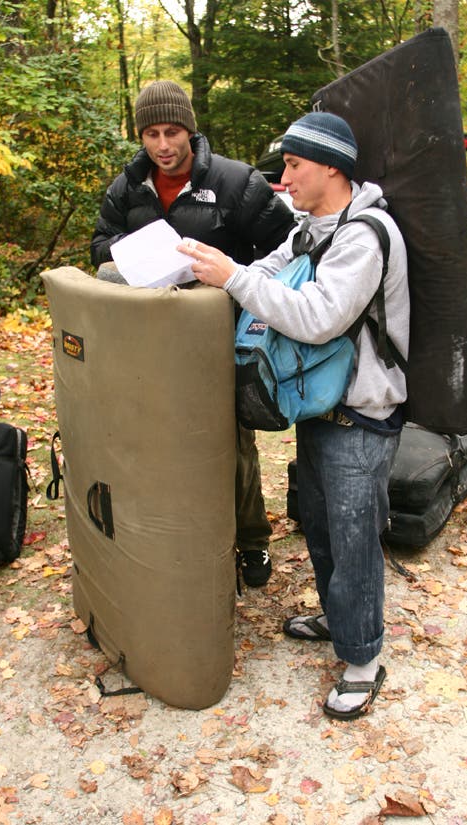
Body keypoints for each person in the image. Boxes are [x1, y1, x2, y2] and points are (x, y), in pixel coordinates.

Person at [179, 112, 410, 719]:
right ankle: (339, 621)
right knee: (321, 523)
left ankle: (362, 660)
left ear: (331, 166)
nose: (284, 178)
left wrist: (235, 279)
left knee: (355, 537)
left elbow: (318, 317)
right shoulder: (311, 228)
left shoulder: (365, 235)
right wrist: (221, 271)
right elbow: (267, 273)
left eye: (294, 165)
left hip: (360, 413)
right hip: (320, 405)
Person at [91, 80, 296, 587]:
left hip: (219, 341)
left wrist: (230, 278)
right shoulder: (127, 186)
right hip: (148, 344)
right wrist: (137, 253)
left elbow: (288, 249)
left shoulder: (235, 182)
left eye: (173, 132)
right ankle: (178, 538)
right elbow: (98, 246)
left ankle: (252, 541)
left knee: (231, 447)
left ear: (190, 129)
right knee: (160, 444)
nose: (163, 146)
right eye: (152, 134)